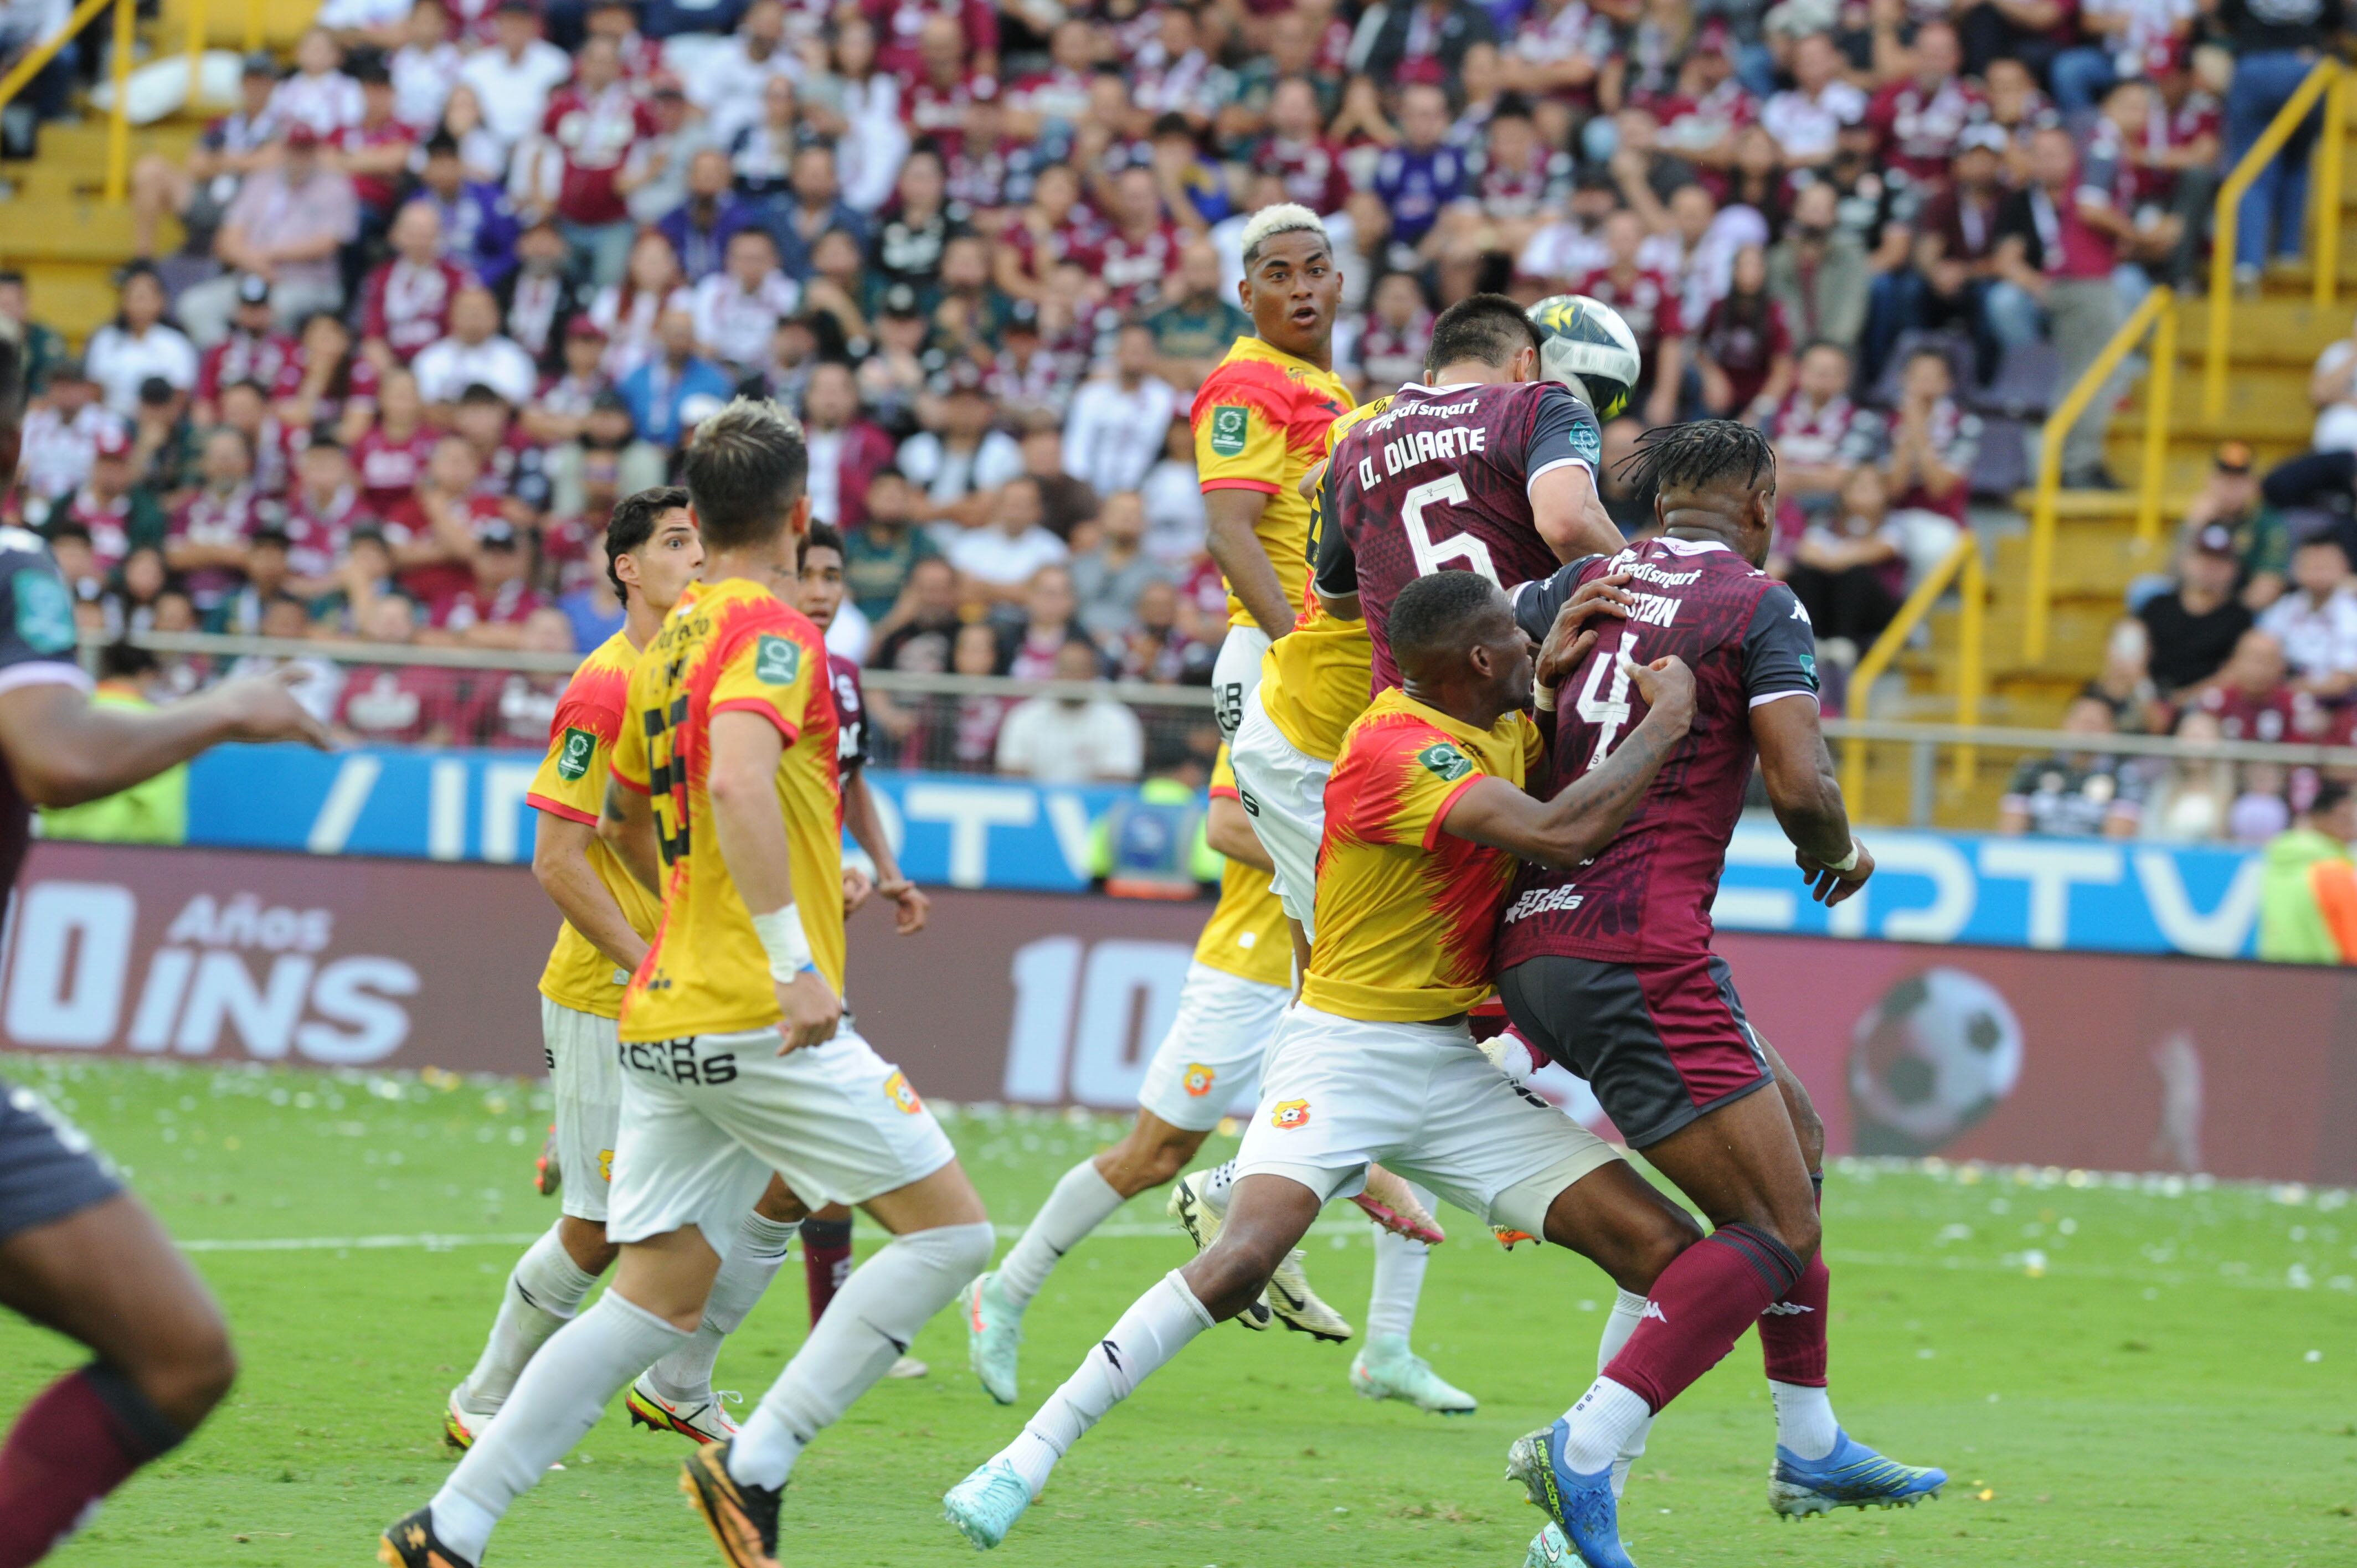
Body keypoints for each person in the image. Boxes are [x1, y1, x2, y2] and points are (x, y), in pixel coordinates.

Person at [942, 568, 1702, 1551]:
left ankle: (1579, 1508)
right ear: (1477, 660)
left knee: (1666, 1255)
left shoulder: (1494, 718)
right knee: (1243, 1260)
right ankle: (1021, 1459)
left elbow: (1536, 743)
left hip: (1452, 1067)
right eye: (1517, 642)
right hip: (1344, 1050)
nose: (1531, 649)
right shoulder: (1391, 748)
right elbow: (1562, 832)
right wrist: (1670, 718)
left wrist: (1550, 685)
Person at [381, 400, 995, 1568]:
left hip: (662, 1009)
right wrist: (791, 957)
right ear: (800, 514)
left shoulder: (658, 647)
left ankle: (445, 1527)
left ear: (700, 526)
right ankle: (753, 1463)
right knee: (953, 1238)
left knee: (648, 1296)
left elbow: (627, 810)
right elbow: (739, 789)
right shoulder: (770, 633)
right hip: (753, 1010)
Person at [1493, 422, 1944, 1565]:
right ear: (1757, 500)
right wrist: (1838, 851)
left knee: (1793, 1144)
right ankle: (1585, 1445)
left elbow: (1479, 702)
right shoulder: (1759, 604)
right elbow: (1800, 780)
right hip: (1634, 950)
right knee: (1774, 1225)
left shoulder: (1573, 584)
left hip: (1534, 939)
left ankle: (1811, 1444)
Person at [0, 321, 332, 1568]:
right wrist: (224, 705)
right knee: (178, 1354)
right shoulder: (14, 559)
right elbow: (61, 755)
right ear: (18, 437)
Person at [441, 486, 783, 1447]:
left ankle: (681, 1382)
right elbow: (558, 856)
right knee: (600, 1231)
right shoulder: (606, 684)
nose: (698, 555)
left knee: (766, 1180)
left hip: (702, 987)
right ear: (627, 567)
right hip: (612, 993)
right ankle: (485, 1398)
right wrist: (651, 964)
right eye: (676, 541)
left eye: (703, 539)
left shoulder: (702, 669)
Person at [1190, 204, 1352, 747]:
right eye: (1277, 276)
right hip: (1276, 650)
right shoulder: (1247, 383)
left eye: (1313, 271)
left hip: (1313, 651)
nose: (1300, 289)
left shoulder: (1329, 390)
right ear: (1245, 295)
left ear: (1339, 282)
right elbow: (1227, 530)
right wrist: (1294, 647)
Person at [993, 638, 1147, 781]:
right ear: (1054, 672)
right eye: (1066, 669)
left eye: (1081, 670)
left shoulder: (1117, 719)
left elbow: (1119, 779)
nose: (1073, 677)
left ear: (1094, 674)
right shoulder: (1025, 716)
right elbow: (1011, 775)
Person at [1996, 694, 2148, 838]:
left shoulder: (2125, 776)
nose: (2087, 731)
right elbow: (2010, 835)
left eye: (2095, 725)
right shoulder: (2034, 768)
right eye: (2082, 722)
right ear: (2066, 724)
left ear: (2110, 730)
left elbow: (2117, 844)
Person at [2138, 524, 2260, 697]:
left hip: (2204, 705)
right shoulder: (2157, 605)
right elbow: (2133, 654)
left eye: (2219, 561)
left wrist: (2179, 702)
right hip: (2147, 698)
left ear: (2234, 569)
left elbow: (2233, 673)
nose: (2209, 567)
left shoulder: (2240, 618)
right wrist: (2148, 699)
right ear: (2187, 561)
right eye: (2203, 557)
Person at [2257, 780, 2357, 962]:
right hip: (2326, 979)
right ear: (2319, 817)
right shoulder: (2334, 870)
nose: (2352, 824)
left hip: (2275, 973)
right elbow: (2352, 942)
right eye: (2345, 817)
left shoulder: (2278, 861)